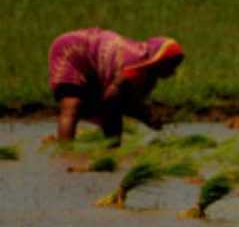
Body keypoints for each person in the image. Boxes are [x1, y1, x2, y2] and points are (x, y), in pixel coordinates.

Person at [48, 28, 185, 144]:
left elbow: (124, 102)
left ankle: (110, 151)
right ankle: (65, 152)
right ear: (158, 60)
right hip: (72, 51)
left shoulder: (147, 77)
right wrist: (145, 116)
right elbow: (110, 99)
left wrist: (147, 117)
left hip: (93, 60)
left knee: (113, 107)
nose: (172, 72)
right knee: (72, 105)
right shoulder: (133, 67)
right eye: (170, 65)